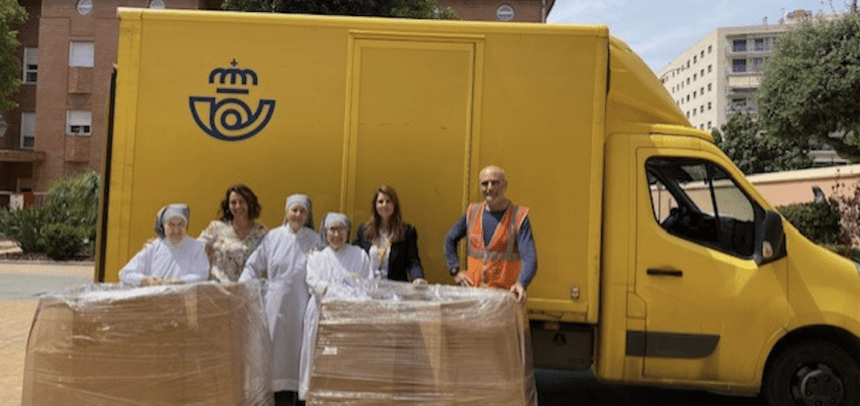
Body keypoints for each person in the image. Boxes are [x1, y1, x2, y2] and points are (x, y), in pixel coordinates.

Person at [239, 194, 321, 406]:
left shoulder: (315, 239)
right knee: (278, 366)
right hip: (275, 310)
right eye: (294, 210)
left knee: (302, 363)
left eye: (302, 211)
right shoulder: (273, 237)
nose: (298, 215)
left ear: (307, 215)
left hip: (304, 309)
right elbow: (252, 267)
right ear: (286, 212)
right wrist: (242, 288)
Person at [299, 212, 372, 403]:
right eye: (332, 229)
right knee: (319, 363)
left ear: (348, 231)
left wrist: (347, 302)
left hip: (351, 320)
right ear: (325, 232)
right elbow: (314, 284)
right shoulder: (316, 258)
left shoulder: (360, 255)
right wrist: (343, 295)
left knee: (347, 366)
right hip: (321, 318)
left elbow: (367, 286)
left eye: (341, 229)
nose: (337, 234)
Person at [443, 165, 537, 304]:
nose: (489, 188)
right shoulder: (472, 212)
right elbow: (449, 240)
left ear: (505, 185)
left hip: (504, 299)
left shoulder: (518, 216)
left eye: (495, 182)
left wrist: (521, 283)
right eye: (485, 183)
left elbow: (530, 256)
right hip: (473, 297)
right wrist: (455, 270)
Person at [119, 203, 209, 286]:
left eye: (181, 224)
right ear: (164, 226)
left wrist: (177, 282)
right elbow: (125, 273)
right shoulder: (153, 247)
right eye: (171, 225)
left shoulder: (197, 247)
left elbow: (202, 275)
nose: (176, 230)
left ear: (186, 225)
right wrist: (146, 280)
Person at [353, 185, 427, 285]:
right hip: (369, 289)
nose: (384, 205)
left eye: (388, 201)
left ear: (395, 205)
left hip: (395, 292)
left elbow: (413, 261)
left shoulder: (407, 232)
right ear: (375, 205)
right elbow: (354, 255)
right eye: (380, 201)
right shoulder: (364, 231)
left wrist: (418, 278)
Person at [199, 184, 268, 282]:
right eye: (233, 202)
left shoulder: (261, 233)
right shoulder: (216, 228)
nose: (238, 206)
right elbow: (196, 248)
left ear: (250, 203)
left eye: (242, 202)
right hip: (219, 291)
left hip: (248, 292)